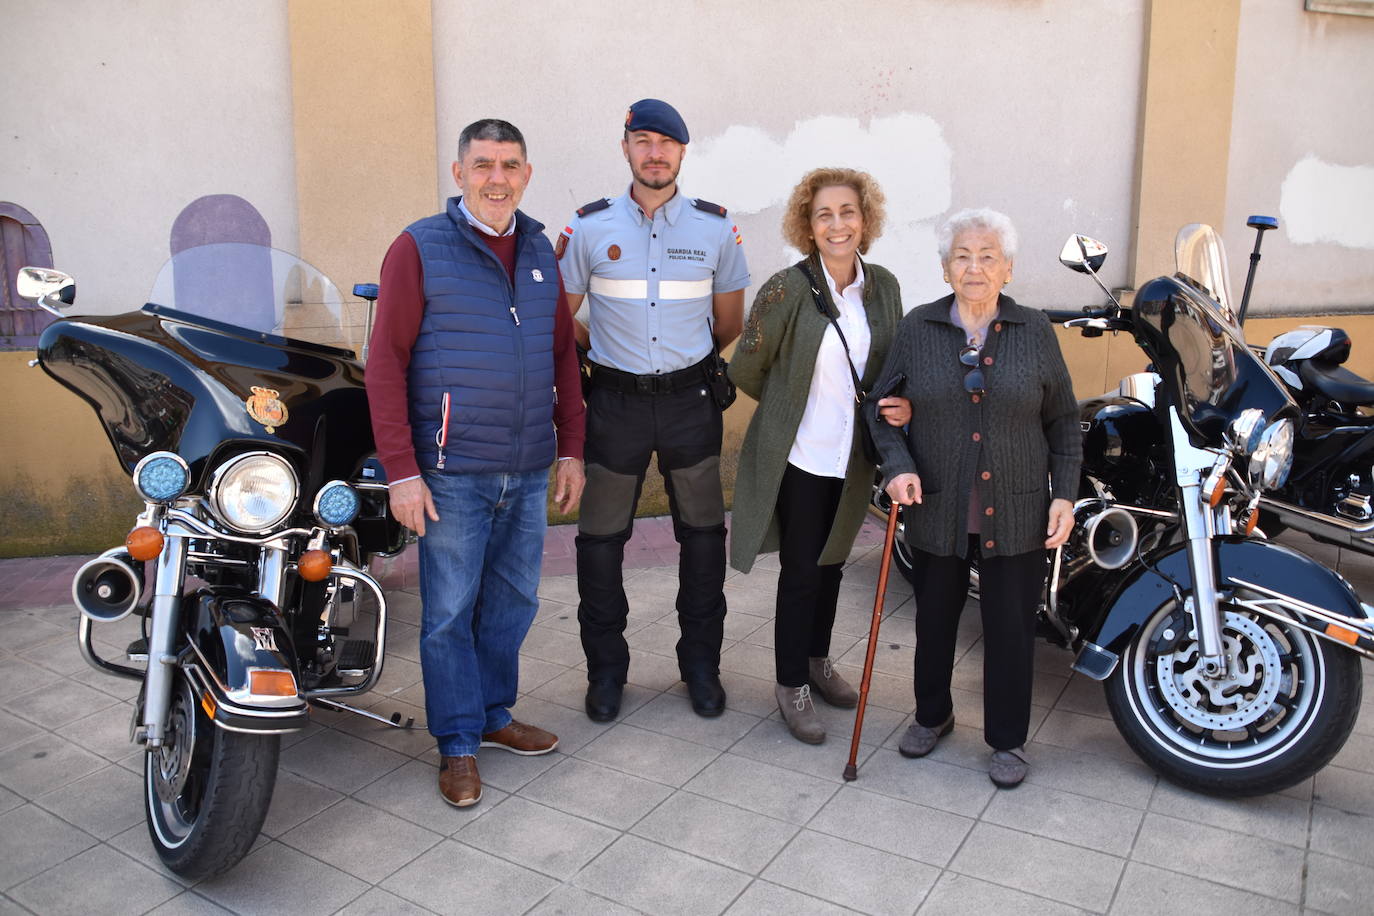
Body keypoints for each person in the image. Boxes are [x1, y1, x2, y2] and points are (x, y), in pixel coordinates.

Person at [366, 118, 586, 808]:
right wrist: (401, 470)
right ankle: (457, 742)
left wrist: (572, 446)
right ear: (459, 173)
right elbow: (385, 364)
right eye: (483, 164)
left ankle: (493, 716)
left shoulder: (541, 252)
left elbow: (562, 358)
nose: (498, 178)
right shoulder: (418, 248)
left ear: (526, 173)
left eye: (510, 165)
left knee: (514, 603)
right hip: (450, 473)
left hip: (525, 469)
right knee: (449, 614)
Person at [869, 207, 1081, 788]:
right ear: (944, 269)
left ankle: (1007, 739)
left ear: (1007, 269)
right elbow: (880, 410)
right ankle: (932, 715)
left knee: (1010, 628)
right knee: (934, 620)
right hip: (937, 506)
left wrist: (1063, 494)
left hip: (1015, 508)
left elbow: (1063, 420)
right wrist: (897, 465)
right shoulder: (918, 329)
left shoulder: (1033, 330)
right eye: (962, 256)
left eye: (988, 257)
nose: (975, 267)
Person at [557, 99, 749, 722]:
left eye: (667, 143)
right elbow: (564, 319)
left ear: (682, 154)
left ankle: (701, 669)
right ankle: (606, 674)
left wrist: (685, 364)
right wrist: (607, 356)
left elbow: (728, 322)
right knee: (600, 543)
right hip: (613, 405)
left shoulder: (716, 229)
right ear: (626, 148)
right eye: (643, 140)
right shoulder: (588, 228)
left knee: (700, 540)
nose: (655, 153)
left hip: (692, 404)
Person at [728, 167, 907, 744]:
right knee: (803, 571)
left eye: (848, 212)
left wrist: (897, 406)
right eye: (824, 213)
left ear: (865, 219)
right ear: (808, 223)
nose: (837, 224)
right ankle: (789, 683)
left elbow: (890, 366)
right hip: (802, 456)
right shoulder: (784, 288)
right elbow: (747, 368)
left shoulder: (883, 285)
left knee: (833, 564)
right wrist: (789, 410)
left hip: (852, 458)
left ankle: (817, 660)